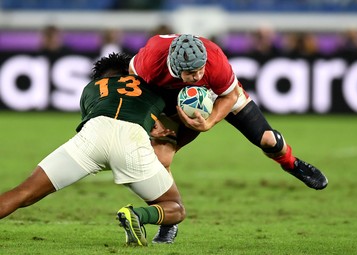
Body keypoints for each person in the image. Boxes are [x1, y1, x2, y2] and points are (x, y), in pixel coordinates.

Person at [129, 34, 329, 244]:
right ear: (175, 67)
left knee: (270, 141)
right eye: (190, 72)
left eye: (200, 69)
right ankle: (169, 221)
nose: (197, 76)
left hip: (217, 95)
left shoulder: (214, 58)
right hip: (171, 100)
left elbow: (231, 96)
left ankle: (291, 163)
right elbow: (134, 78)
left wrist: (210, 122)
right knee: (160, 161)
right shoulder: (152, 59)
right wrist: (152, 120)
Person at [0, 52, 185, 247]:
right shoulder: (150, 85)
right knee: (175, 208)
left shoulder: (90, 88)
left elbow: (93, 116)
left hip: (91, 138)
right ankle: (138, 215)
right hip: (132, 141)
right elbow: (167, 119)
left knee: (24, 193)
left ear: (101, 77)